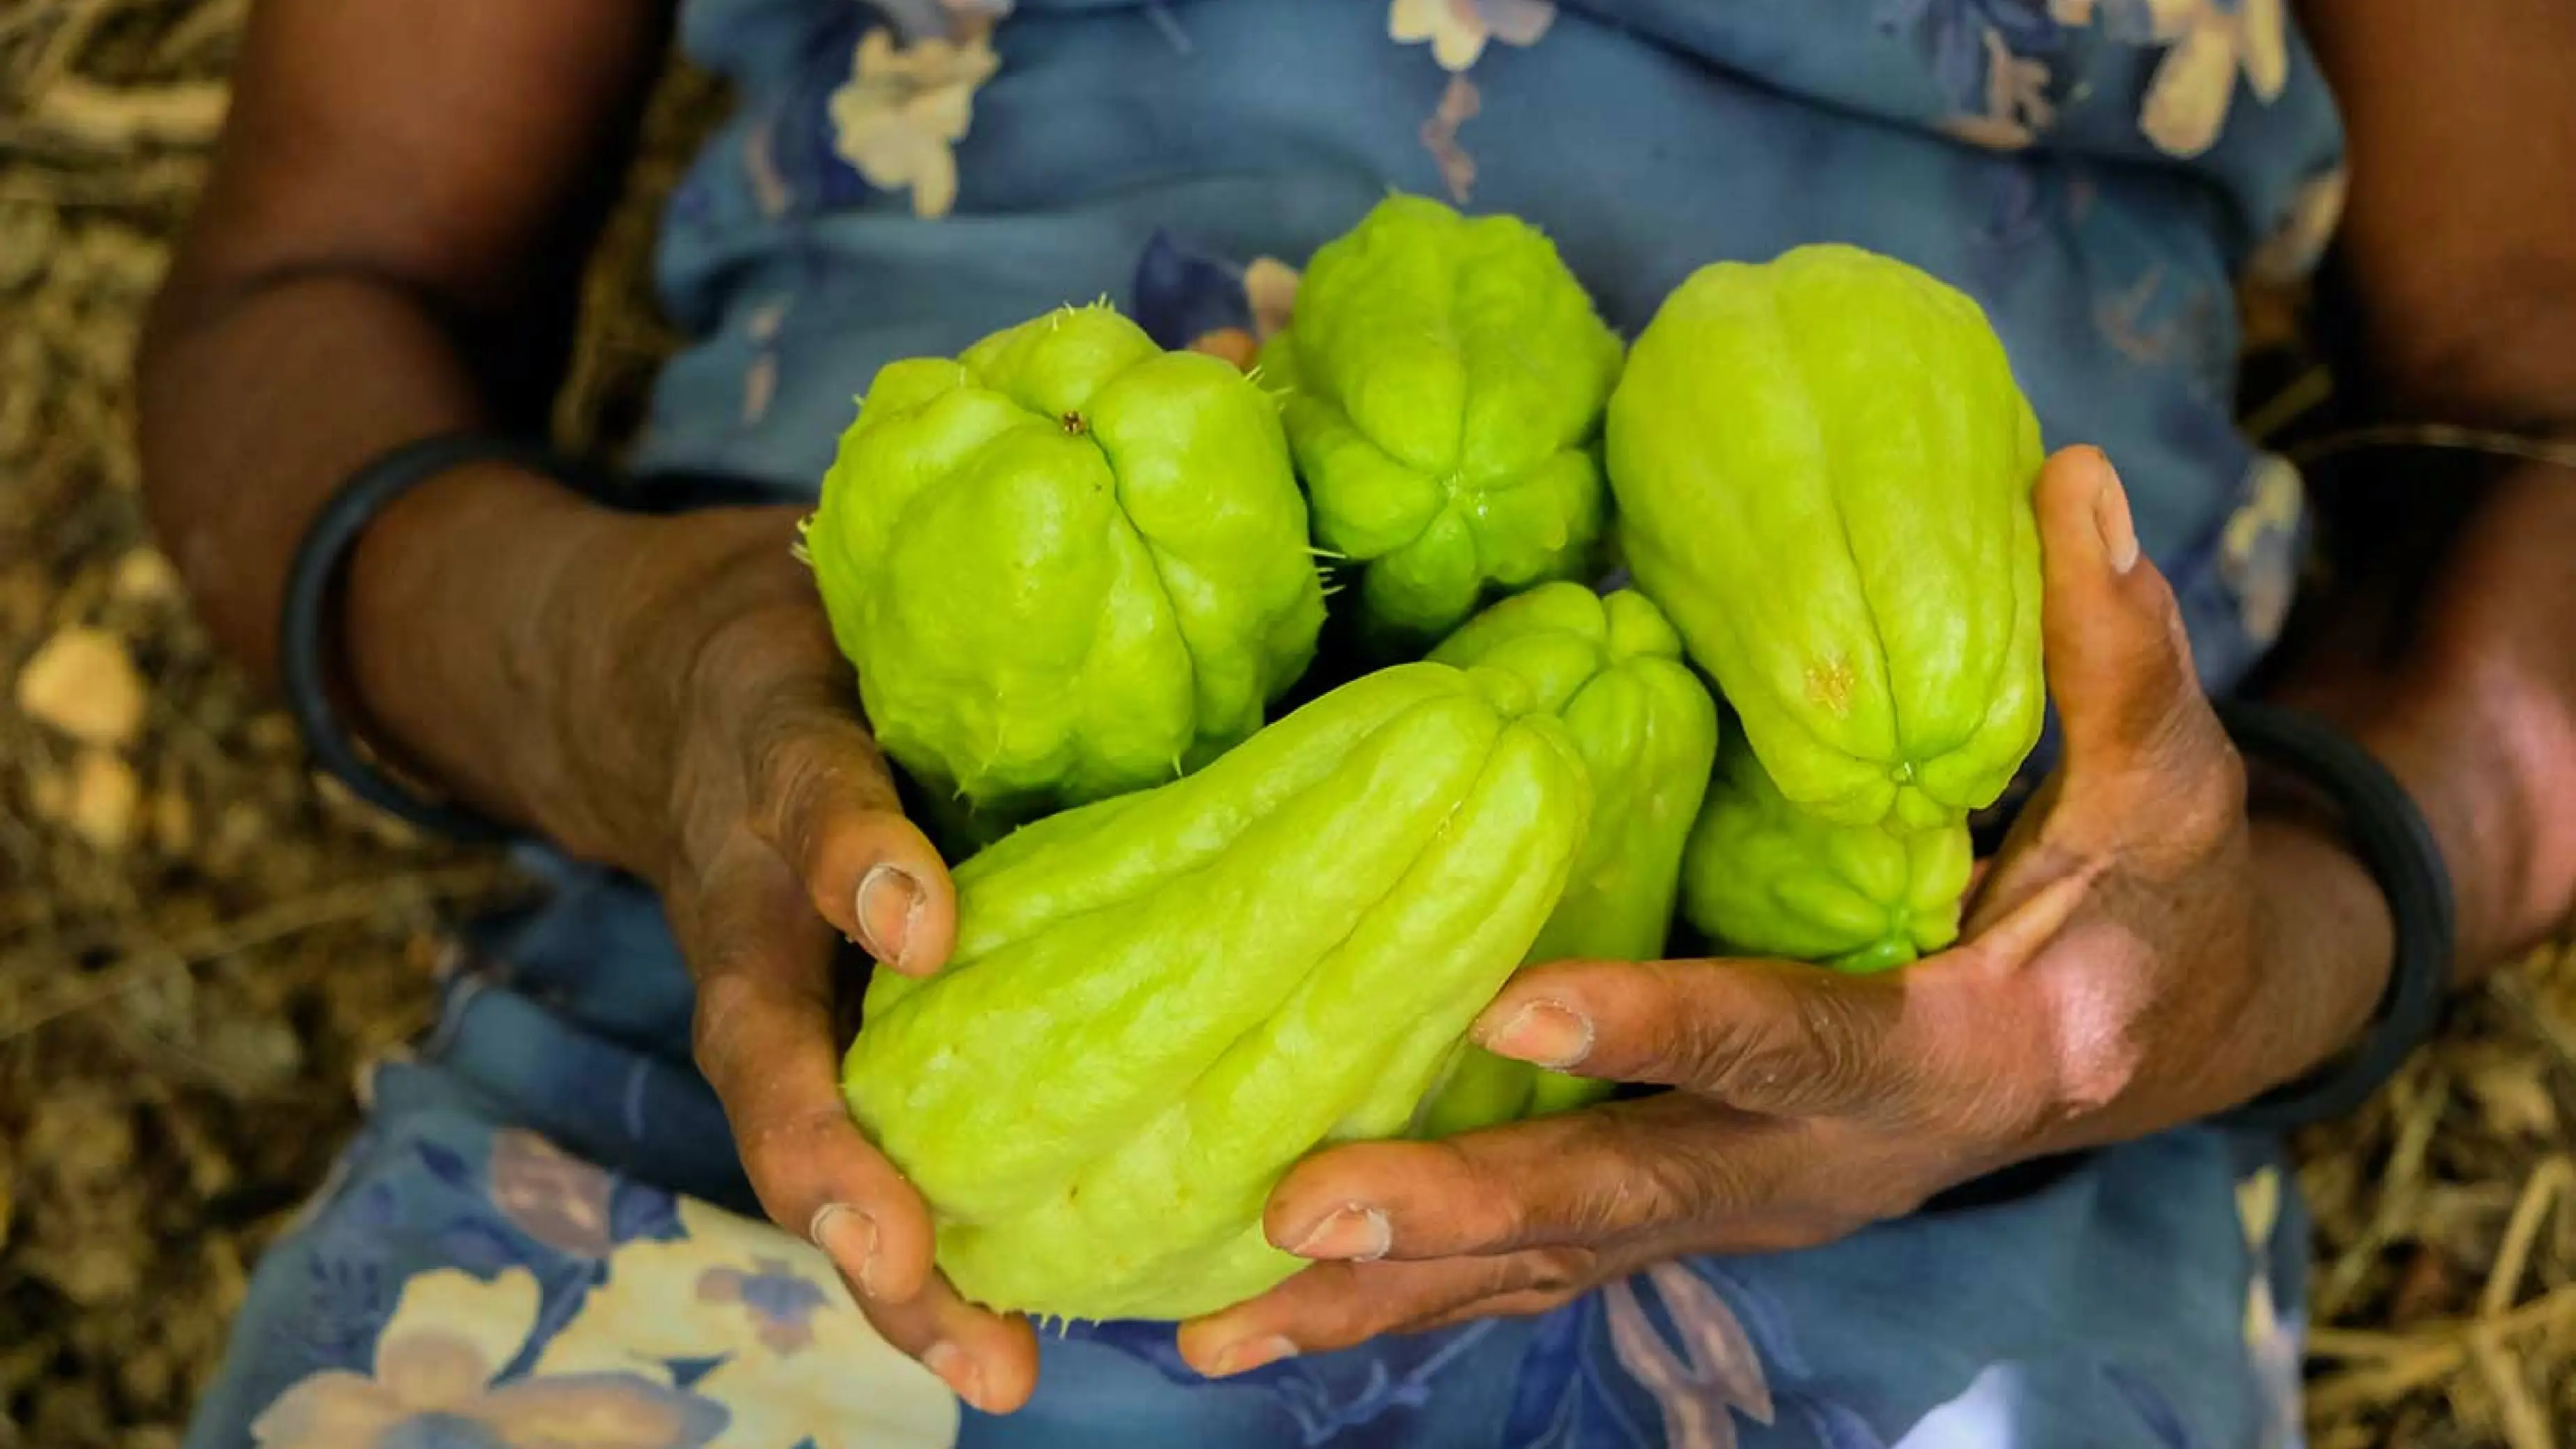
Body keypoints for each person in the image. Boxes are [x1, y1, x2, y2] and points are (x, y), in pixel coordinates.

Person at [141, 2, 2573, 1446]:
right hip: (796, 1002)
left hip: (1945, 1158)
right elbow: (312, 283)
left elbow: (2542, 428)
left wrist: (2240, 946)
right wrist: (618, 672)